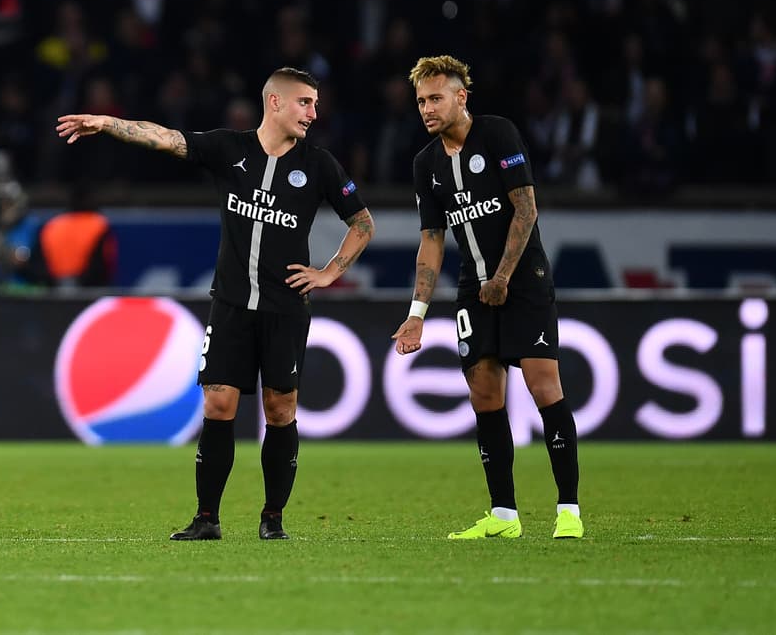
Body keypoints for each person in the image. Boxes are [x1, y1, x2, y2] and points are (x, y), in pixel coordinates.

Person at [57, 67, 374, 540]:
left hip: (284, 309)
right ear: (275, 103)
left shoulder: (321, 165)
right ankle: (207, 518)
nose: (314, 112)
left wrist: (330, 271)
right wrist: (107, 123)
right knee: (219, 402)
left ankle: (273, 519)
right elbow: (165, 139)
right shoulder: (231, 149)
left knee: (280, 409)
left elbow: (362, 223)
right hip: (230, 305)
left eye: (314, 103)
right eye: (305, 102)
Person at [390, 55, 582, 540]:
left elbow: (526, 208)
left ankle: (568, 510)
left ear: (461, 97)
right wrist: (416, 314)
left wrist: (501, 277)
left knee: (543, 385)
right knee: (484, 395)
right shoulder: (426, 164)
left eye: (435, 98)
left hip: (523, 281)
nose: (427, 109)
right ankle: (503, 515)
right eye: (420, 101)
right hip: (473, 288)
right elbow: (432, 240)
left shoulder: (497, 134)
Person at [36, 182, 117, 288]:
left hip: (54, 291)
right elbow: (104, 264)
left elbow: (38, 264)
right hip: (88, 292)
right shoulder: (99, 224)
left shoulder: (52, 225)